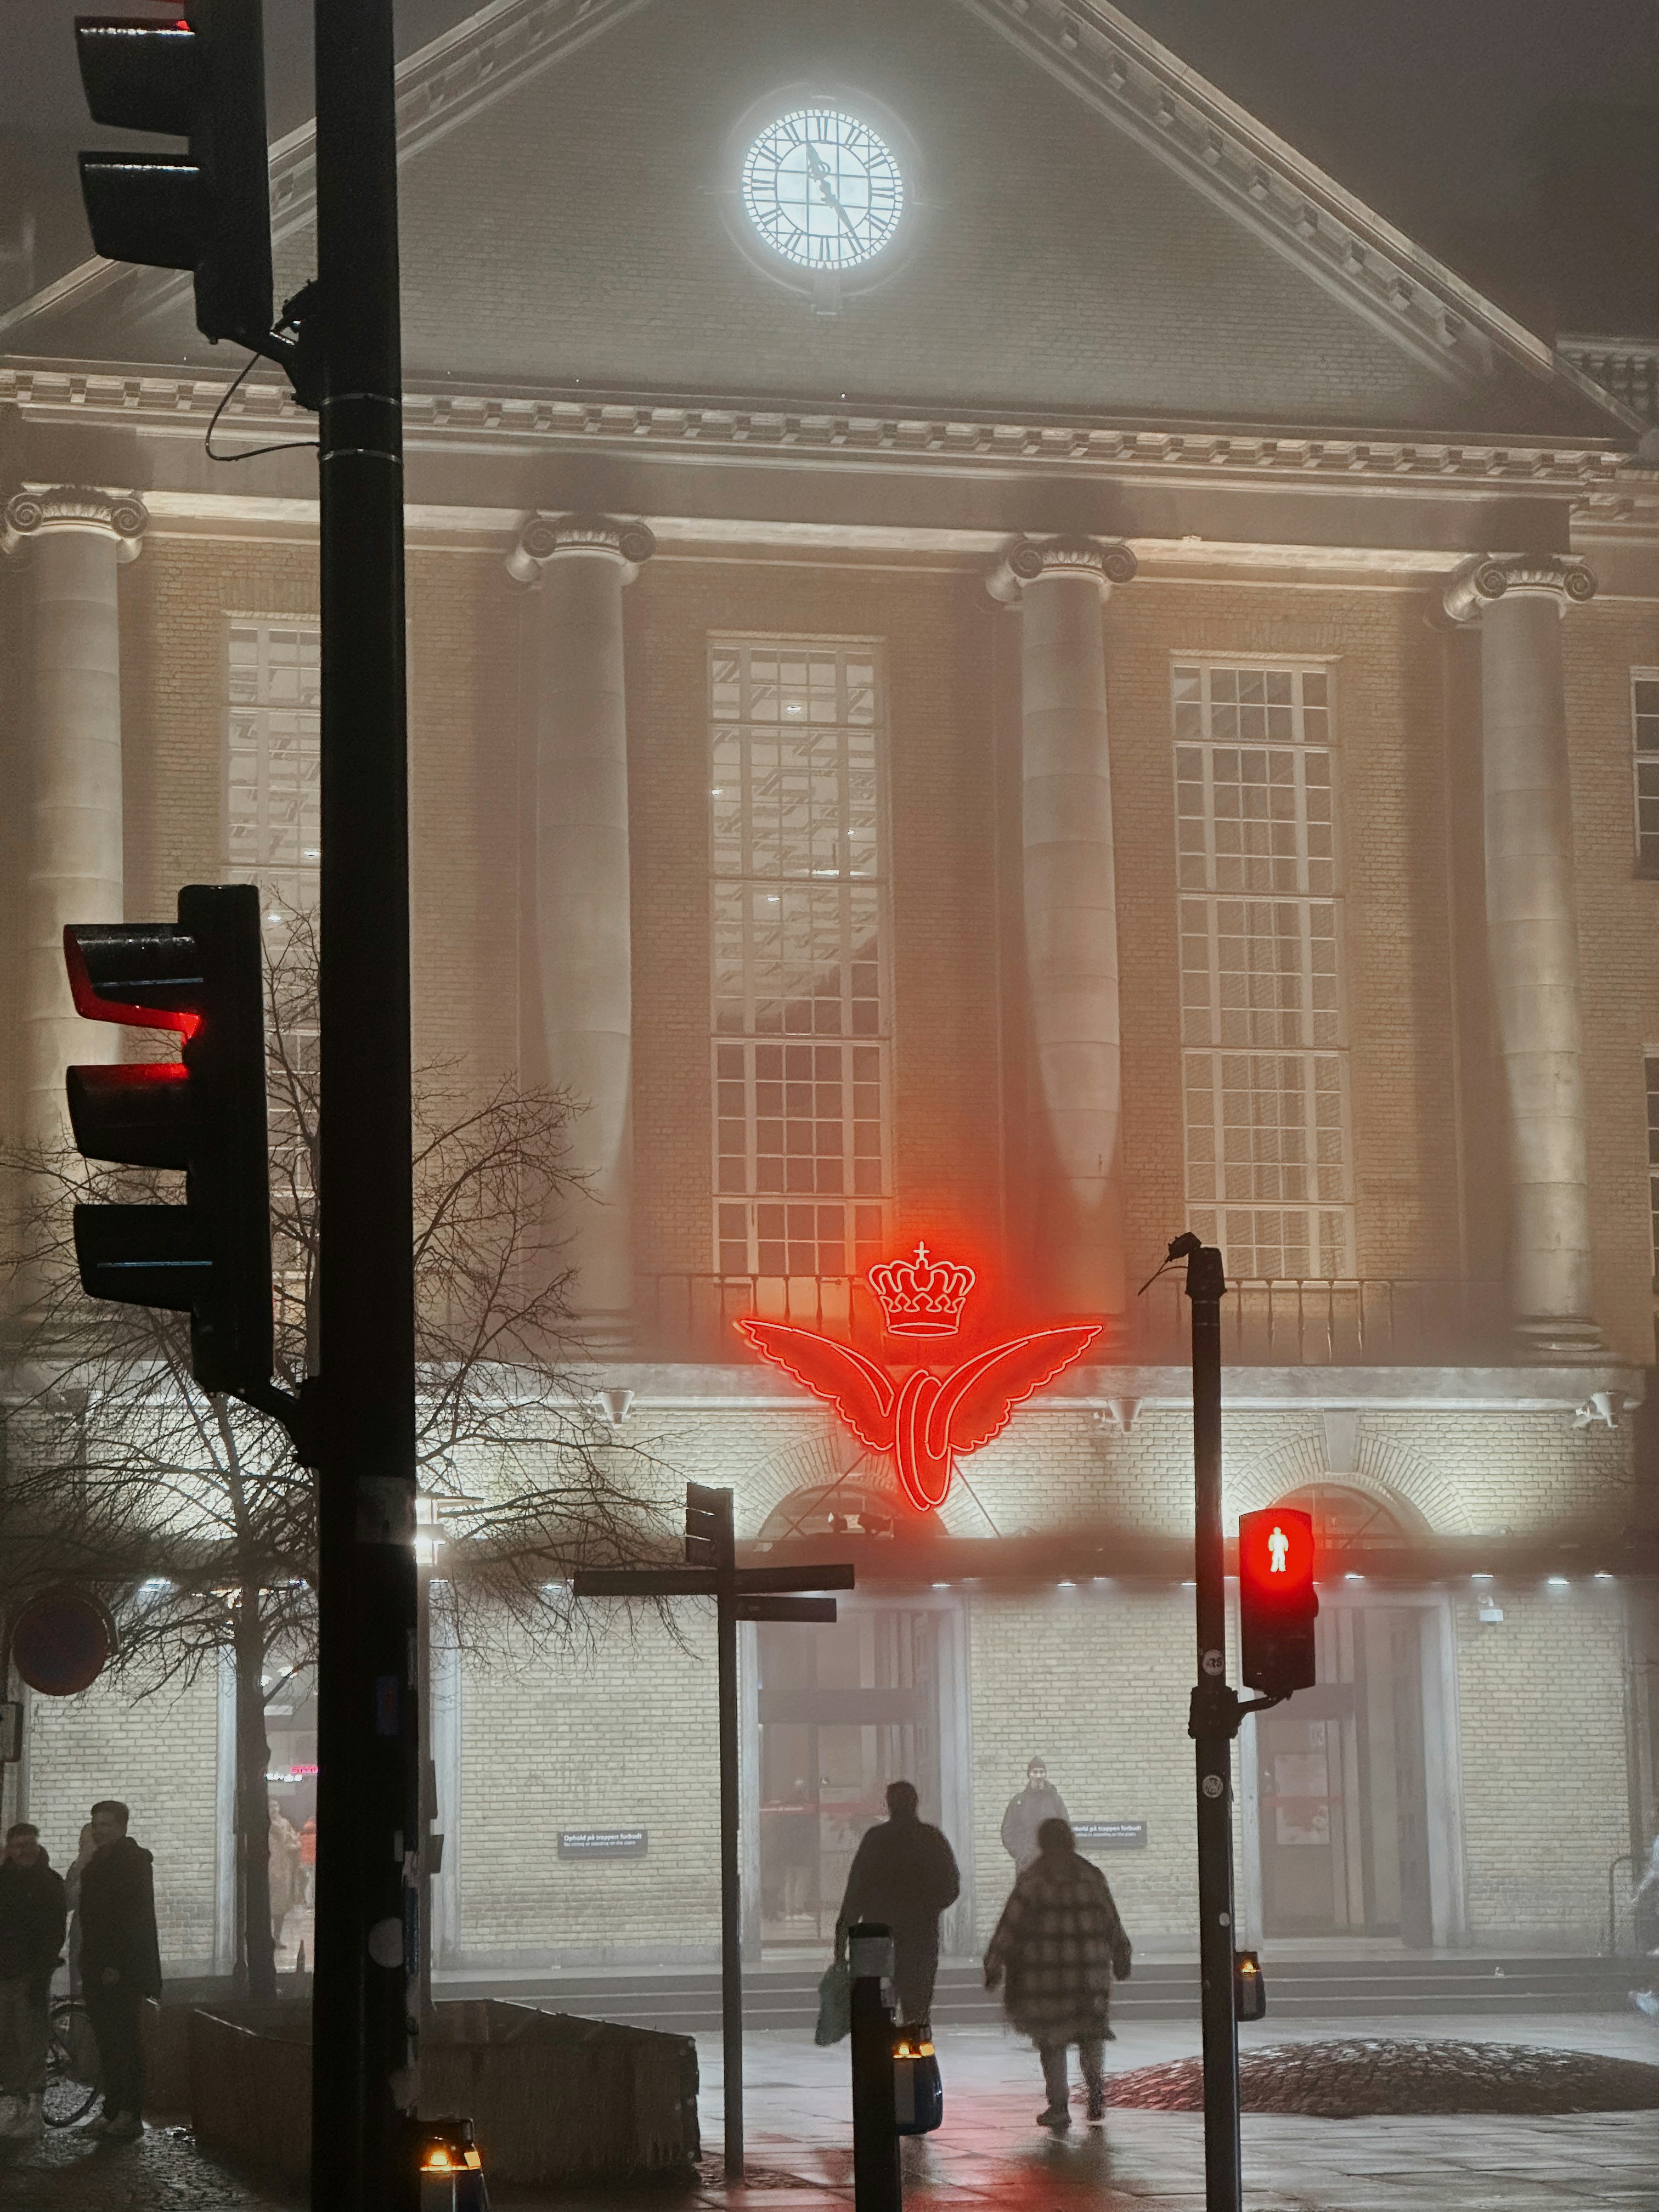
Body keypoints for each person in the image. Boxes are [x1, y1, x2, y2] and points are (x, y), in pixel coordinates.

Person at [984, 1815, 1132, 2133]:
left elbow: (1011, 1925)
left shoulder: (1033, 1880)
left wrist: (994, 1963)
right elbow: (1112, 1922)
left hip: (1046, 1979)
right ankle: (1095, 2095)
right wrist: (1121, 1955)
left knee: (1053, 2040)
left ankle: (1059, 2106)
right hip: (1089, 1977)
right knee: (1091, 2036)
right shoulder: (1091, 1876)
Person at [835, 1780, 960, 2028]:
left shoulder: (875, 1840)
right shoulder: (931, 1839)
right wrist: (928, 1909)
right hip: (920, 1939)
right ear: (916, 1804)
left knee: (881, 2011)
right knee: (918, 2013)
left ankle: (884, 2059)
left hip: (880, 1942)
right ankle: (920, 2059)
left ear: (889, 1805)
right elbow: (951, 1887)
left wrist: (841, 1940)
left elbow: (855, 1891)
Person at [78, 1800, 162, 2143]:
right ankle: (113, 2108)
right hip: (97, 1965)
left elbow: (132, 1918)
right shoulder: (97, 1864)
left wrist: (117, 1964)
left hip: (119, 1969)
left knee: (124, 2040)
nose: (99, 1830)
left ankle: (129, 2112)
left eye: (106, 1824)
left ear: (123, 1827)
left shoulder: (133, 1861)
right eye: (96, 1824)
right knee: (107, 2042)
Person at [0, 1824, 67, 2142]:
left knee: (30, 2044)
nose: (24, 1850)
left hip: (30, 1976)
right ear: (9, 1849)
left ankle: (34, 2114)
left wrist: (40, 1976)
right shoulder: (3, 1881)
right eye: (18, 1845)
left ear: (38, 1846)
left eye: (30, 1844)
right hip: (3, 1974)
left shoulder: (50, 1883)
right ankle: (18, 2107)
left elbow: (55, 1934)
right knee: (8, 2045)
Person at [1001, 1757, 1070, 1875]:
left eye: (1042, 1772)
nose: (1038, 1776)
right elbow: (1007, 1830)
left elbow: (1065, 1828)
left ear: (1045, 1774)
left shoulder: (1055, 1800)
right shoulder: (1019, 1802)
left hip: (1051, 1862)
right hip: (1027, 1863)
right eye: (1035, 1772)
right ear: (1029, 1775)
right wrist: (1020, 1853)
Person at [268, 1800, 303, 1954]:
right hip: (268, 1869)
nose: (274, 1809)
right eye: (271, 1806)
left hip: (282, 1871)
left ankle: (276, 1937)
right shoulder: (265, 1825)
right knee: (266, 1905)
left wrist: (293, 1846)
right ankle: (265, 1937)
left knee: (280, 1907)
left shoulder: (285, 1824)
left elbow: (294, 1842)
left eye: (276, 1806)